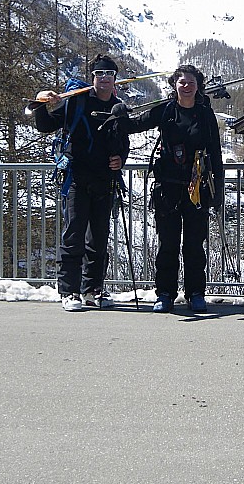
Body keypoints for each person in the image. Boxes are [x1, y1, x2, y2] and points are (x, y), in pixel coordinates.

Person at [33, 54, 130, 311]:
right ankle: (69, 291)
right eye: (100, 74)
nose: (105, 79)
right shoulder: (76, 103)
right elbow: (46, 125)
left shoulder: (118, 108)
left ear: (115, 79)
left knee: (99, 238)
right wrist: (42, 103)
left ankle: (93, 289)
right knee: (74, 234)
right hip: (76, 178)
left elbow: (124, 142)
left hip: (105, 181)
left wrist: (120, 159)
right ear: (93, 78)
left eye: (109, 74)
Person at [124, 64, 224, 313]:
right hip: (167, 188)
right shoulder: (166, 111)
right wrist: (118, 114)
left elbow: (216, 153)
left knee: (194, 244)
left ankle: (196, 293)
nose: (186, 86)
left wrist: (218, 191)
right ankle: (165, 293)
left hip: (197, 188)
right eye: (182, 82)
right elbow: (135, 125)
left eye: (191, 82)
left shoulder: (205, 114)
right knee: (167, 244)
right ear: (174, 85)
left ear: (198, 86)